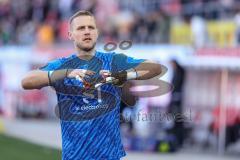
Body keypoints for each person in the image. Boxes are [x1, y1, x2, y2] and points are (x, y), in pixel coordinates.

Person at [21, 10, 163, 160]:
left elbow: (155, 67)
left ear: (97, 32)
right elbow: (27, 81)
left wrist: (122, 75)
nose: (87, 32)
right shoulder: (62, 65)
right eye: (81, 28)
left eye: (91, 27)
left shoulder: (113, 61)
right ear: (70, 35)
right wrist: (66, 73)